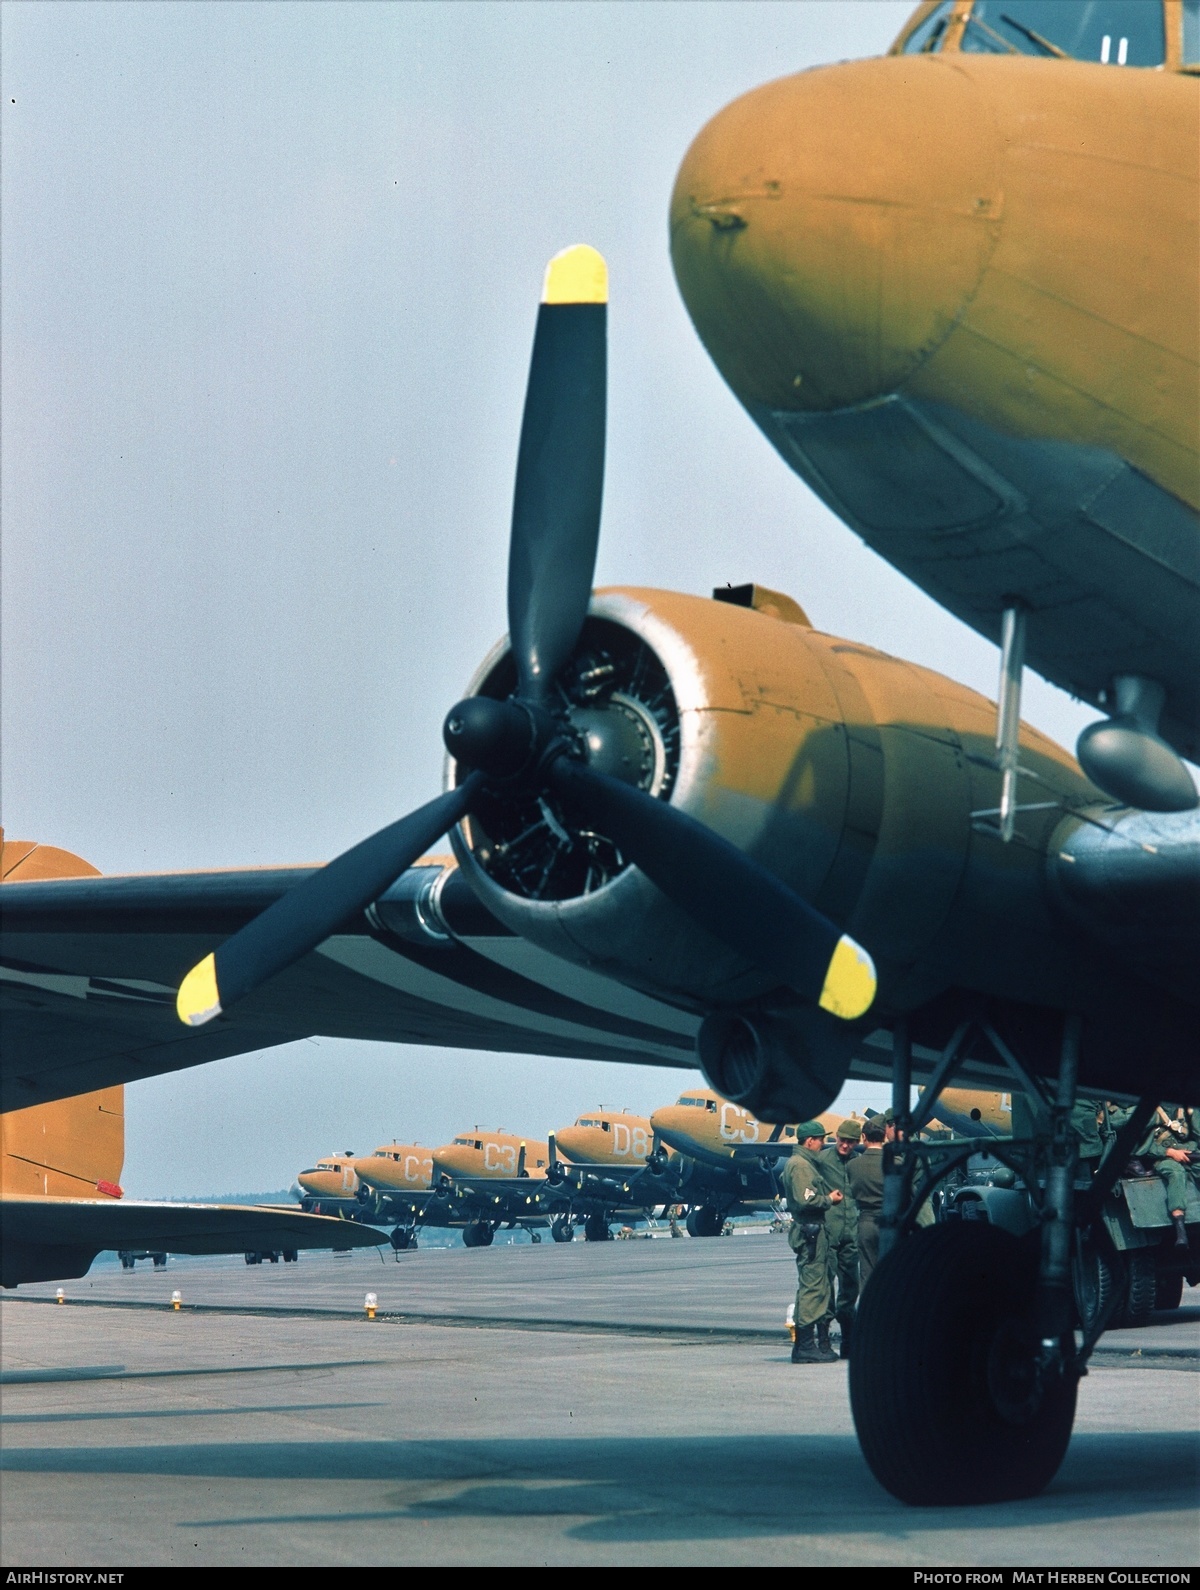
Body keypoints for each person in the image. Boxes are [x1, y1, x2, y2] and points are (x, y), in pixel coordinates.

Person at [779, 1122, 842, 1364]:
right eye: (819, 1139)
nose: (822, 1143)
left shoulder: (800, 1163)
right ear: (809, 1141)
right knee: (812, 1286)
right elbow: (807, 1200)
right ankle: (804, 1346)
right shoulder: (801, 1166)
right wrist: (829, 1199)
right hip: (810, 1231)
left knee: (815, 1284)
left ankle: (808, 1344)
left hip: (812, 1230)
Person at [819, 1118, 861, 1358]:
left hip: (851, 1233)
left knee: (850, 1285)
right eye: (842, 1140)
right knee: (826, 1284)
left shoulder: (857, 1163)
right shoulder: (822, 1160)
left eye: (850, 1142)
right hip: (830, 1232)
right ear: (836, 1138)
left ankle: (848, 1341)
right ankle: (824, 1340)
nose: (845, 1145)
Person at [1137, 1106, 1199, 1247]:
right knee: (1176, 1172)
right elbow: (1143, 1146)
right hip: (1163, 1158)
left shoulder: (1188, 1109)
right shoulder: (1150, 1111)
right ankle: (1181, 1232)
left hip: (1191, 1155)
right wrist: (1169, 1152)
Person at [849, 1117, 886, 1288]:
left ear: (863, 1136)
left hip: (866, 1221)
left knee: (867, 1273)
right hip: (890, 1222)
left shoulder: (853, 1165)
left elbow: (850, 1194)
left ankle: (869, 1312)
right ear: (884, 1136)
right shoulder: (897, 1163)